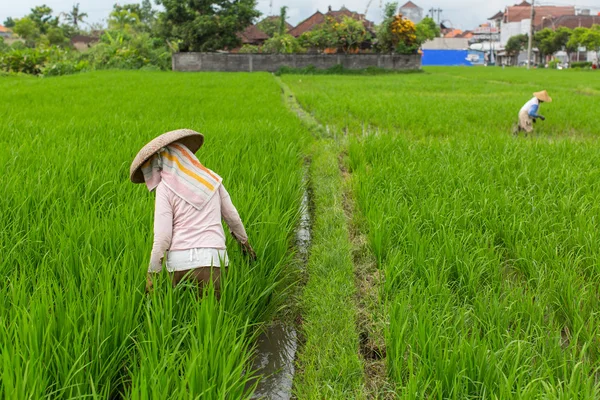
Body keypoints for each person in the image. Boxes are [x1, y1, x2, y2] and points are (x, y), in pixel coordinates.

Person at [129, 129, 256, 297]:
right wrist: (245, 245)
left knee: (182, 320)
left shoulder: (164, 188)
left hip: (178, 266)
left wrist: (152, 273)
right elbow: (233, 218)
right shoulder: (212, 180)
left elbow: (162, 237)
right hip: (214, 260)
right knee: (212, 320)